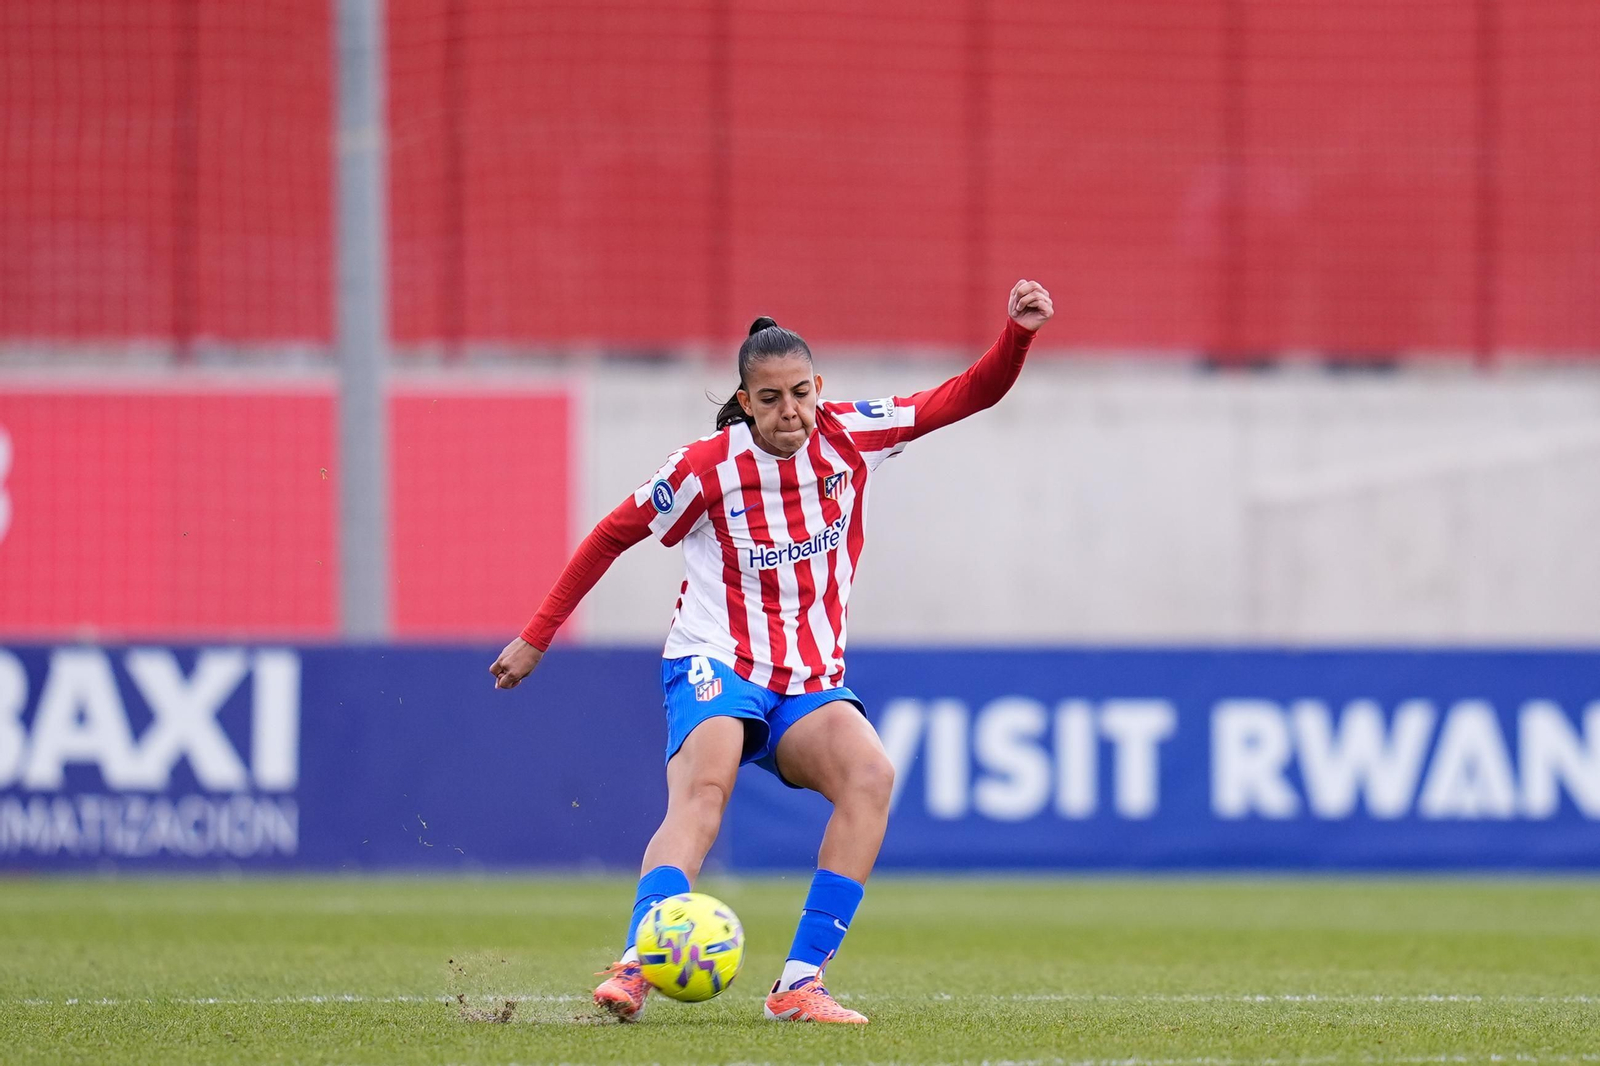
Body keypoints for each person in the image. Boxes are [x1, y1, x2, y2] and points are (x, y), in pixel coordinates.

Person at [490, 279, 1054, 1023]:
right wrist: (537, 634)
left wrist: (1016, 333)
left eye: (799, 393)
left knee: (871, 776)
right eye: (770, 398)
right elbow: (610, 534)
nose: (789, 411)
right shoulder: (704, 468)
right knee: (707, 789)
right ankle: (636, 964)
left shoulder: (854, 434)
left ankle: (799, 983)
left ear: (818, 387)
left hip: (809, 677)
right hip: (715, 658)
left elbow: (968, 394)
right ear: (745, 401)